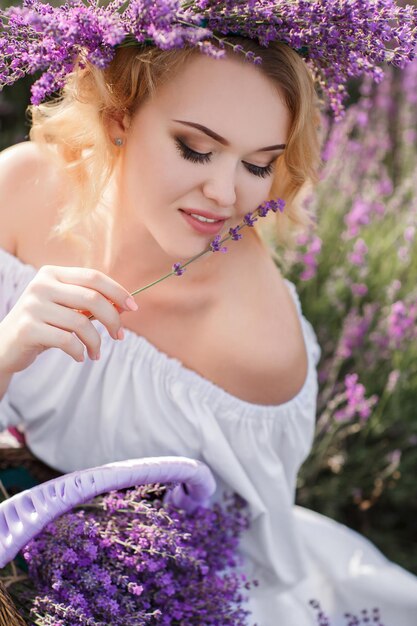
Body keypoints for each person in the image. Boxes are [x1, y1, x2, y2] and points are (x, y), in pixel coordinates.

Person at [1, 3, 417, 624]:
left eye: (257, 165)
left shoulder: (256, 345)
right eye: (196, 149)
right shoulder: (20, 192)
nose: (227, 194)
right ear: (119, 119)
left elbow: (245, 552)